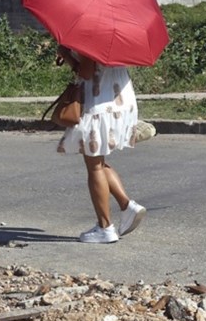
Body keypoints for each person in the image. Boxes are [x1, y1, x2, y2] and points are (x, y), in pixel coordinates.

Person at [56, 45, 146, 244]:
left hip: (100, 103)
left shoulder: (88, 36)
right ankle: (127, 206)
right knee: (98, 161)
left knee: (94, 166)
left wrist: (67, 55)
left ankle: (105, 227)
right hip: (120, 98)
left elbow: (86, 72)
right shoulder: (114, 34)